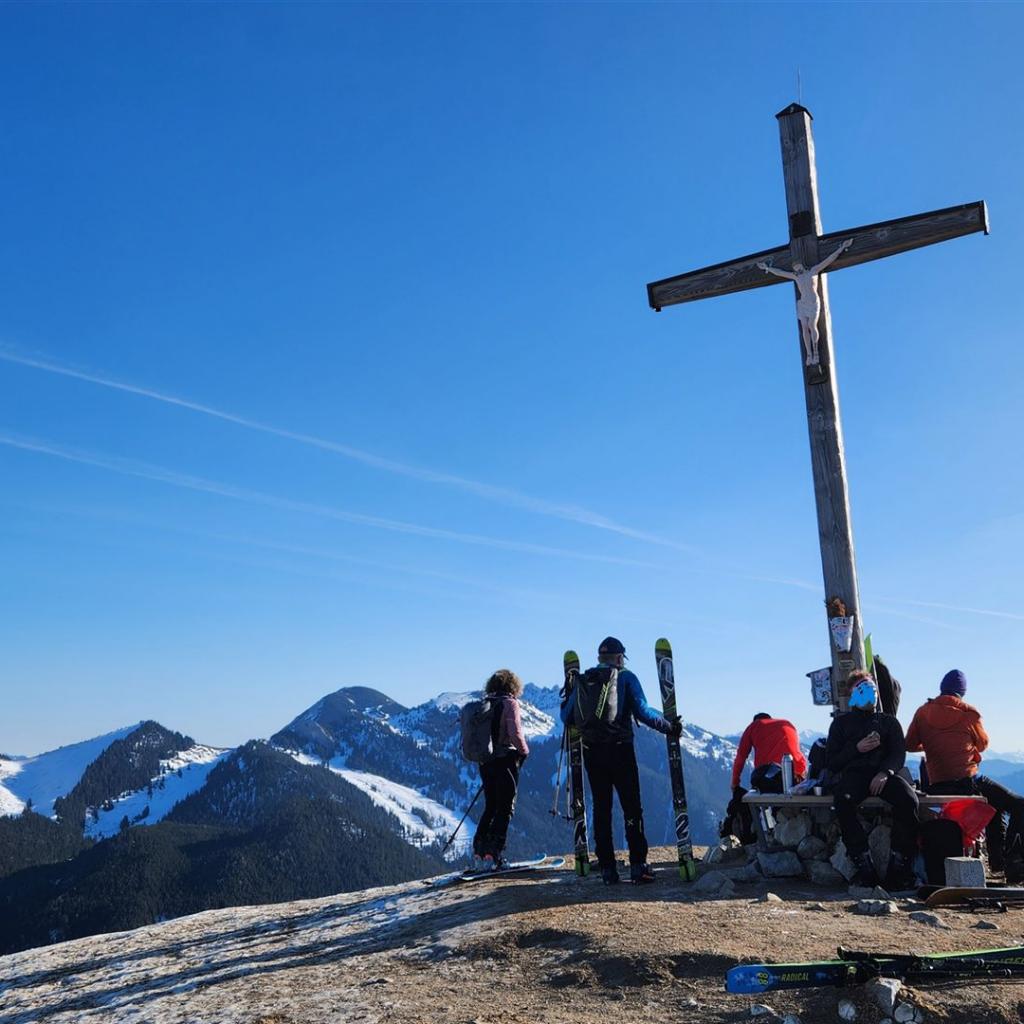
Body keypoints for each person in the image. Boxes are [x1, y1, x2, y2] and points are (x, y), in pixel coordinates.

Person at [560, 636, 682, 886]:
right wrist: (669, 726)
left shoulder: (585, 680)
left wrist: (570, 693)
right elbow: (643, 712)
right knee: (632, 808)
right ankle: (638, 866)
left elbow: (565, 717)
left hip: (592, 752)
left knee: (601, 809)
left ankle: (607, 869)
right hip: (620, 751)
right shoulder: (626, 677)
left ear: (599, 658)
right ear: (619, 658)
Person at [906, 669, 1024, 882]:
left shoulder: (922, 712)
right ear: (962, 691)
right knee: (1018, 804)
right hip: (967, 782)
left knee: (993, 803)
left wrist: (932, 743)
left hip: (936, 784)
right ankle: (1011, 862)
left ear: (942, 688)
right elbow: (983, 744)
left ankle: (998, 862)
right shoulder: (969, 713)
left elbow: (910, 744)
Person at [825, 671, 920, 889]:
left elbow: (898, 754)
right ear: (851, 694)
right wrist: (856, 749)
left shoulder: (889, 722)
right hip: (854, 776)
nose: (869, 692)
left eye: (872, 687)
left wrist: (885, 772)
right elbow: (832, 762)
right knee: (843, 801)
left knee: (908, 800)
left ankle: (899, 864)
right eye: (862, 688)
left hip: (884, 776)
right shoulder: (841, 724)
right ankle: (862, 862)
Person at [472, 669, 529, 870]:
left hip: (485, 762)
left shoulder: (485, 704)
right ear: (513, 685)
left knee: (490, 806)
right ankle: (493, 854)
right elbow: (515, 733)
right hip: (505, 761)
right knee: (505, 808)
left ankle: (479, 852)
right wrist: (524, 752)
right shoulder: (510, 703)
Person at [731, 712, 808, 795]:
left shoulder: (753, 726)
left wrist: (735, 783)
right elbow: (797, 752)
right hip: (797, 776)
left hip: (769, 777)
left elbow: (741, 757)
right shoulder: (787, 724)